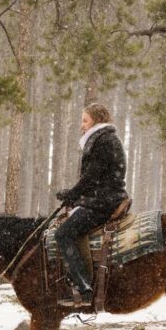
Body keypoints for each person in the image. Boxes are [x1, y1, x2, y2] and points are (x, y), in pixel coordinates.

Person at [53, 103, 129, 305]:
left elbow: (92, 176)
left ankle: (83, 286)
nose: (82, 125)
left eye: (85, 120)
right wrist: (74, 195)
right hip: (103, 197)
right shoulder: (104, 139)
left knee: (63, 233)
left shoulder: (103, 140)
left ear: (96, 120)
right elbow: (94, 177)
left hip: (104, 201)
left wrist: (73, 193)